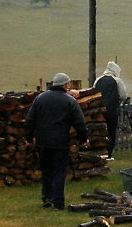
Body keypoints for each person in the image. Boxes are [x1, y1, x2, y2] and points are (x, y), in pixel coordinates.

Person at [24, 72, 89, 209]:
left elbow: (30, 120)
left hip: (43, 142)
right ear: (65, 85)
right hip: (60, 142)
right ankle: (57, 202)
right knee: (59, 172)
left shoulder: (40, 99)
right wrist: (84, 139)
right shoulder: (70, 101)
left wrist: (29, 138)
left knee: (46, 170)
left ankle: (46, 197)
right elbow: (79, 122)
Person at [92, 60, 127, 160]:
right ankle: (108, 154)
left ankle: (98, 152)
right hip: (112, 110)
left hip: (98, 111)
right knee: (111, 132)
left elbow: (94, 93)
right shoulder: (117, 81)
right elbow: (123, 95)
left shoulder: (98, 80)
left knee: (98, 131)